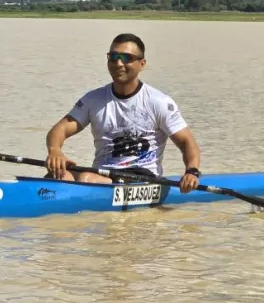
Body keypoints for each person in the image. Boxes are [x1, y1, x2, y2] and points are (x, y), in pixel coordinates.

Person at [44, 33, 202, 193]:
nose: (118, 63)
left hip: (142, 177)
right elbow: (61, 129)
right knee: (58, 175)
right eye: (113, 57)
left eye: (126, 58)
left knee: (86, 179)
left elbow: (187, 142)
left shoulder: (159, 102)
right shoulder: (93, 99)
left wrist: (192, 172)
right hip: (102, 173)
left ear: (142, 64)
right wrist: (55, 151)